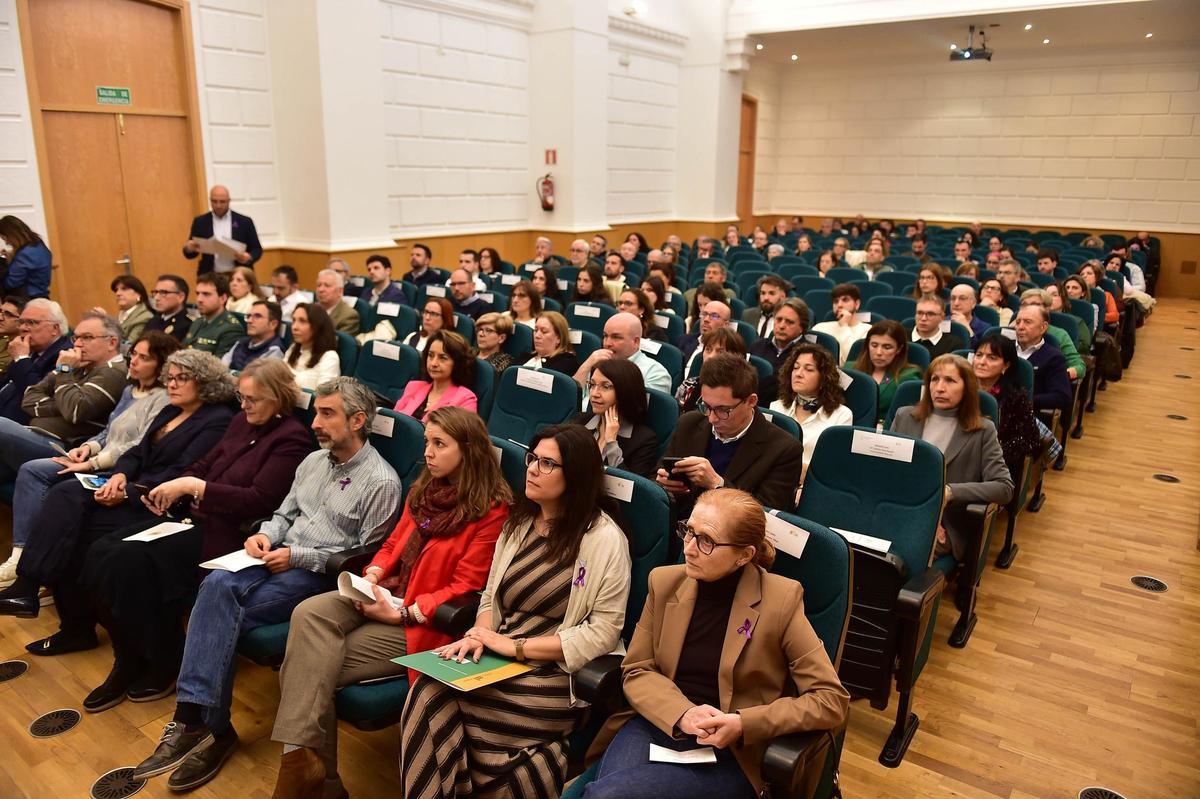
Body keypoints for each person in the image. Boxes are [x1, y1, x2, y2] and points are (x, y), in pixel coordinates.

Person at [130, 378, 401, 791]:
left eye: (327, 414)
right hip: (274, 556)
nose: (315, 423)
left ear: (358, 420)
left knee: (216, 605)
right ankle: (199, 723)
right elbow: (283, 514)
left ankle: (202, 725)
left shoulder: (382, 482)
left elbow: (366, 558)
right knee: (216, 584)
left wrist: (297, 556)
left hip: (316, 576)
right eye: (317, 412)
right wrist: (266, 535)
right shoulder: (312, 461)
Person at [269, 406, 511, 797]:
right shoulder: (425, 489)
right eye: (426, 443)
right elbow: (394, 544)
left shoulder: (492, 510)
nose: (428, 453)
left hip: (422, 621)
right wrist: (376, 574)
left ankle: (314, 777)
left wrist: (403, 611)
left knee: (306, 667)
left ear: (468, 450)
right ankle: (304, 765)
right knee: (309, 613)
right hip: (388, 593)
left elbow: (467, 586)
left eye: (439, 444)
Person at [399, 423, 631, 799]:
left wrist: (515, 647)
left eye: (547, 464)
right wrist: (478, 633)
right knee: (427, 689)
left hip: (555, 675)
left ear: (575, 474)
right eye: (532, 458)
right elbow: (490, 596)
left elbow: (602, 632)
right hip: (498, 653)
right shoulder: (519, 523)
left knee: (438, 704)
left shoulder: (605, 539)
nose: (533, 469)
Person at [583, 488, 850, 799]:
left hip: (732, 750)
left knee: (608, 795)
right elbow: (638, 669)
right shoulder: (665, 582)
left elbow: (830, 700)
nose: (689, 549)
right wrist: (683, 713)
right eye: (688, 532)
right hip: (661, 720)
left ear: (744, 555)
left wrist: (742, 723)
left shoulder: (781, 600)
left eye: (706, 541)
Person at [79, 358, 313, 710]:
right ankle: (127, 657)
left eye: (254, 399)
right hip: (192, 519)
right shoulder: (240, 421)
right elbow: (205, 464)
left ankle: (162, 661)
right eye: (241, 396)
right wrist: (178, 485)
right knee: (100, 551)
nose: (245, 405)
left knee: (130, 561)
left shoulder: (292, 439)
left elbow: (259, 499)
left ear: (278, 398)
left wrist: (196, 486)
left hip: (227, 534)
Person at [0, 351, 236, 653]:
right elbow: (137, 452)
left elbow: (182, 472)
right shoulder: (170, 411)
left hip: (160, 503)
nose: (172, 384)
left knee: (75, 534)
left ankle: (50, 603)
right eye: (171, 377)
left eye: (182, 378)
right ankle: (51, 606)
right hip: (132, 487)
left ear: (204, 383)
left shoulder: (216, 421)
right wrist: (121, 475)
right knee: (64, 495)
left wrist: (128, 491)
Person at [0, 332, 179, 588]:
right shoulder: (130, 390)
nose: (134, 361)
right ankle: (24, 559)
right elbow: (108, 432)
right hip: (97, 459)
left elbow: (139, 445)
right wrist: (87, 447)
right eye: (134, 354)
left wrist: (92, 463)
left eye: (144, 357)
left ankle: (24, 560)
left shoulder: (163, 398)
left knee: (35, 470)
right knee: (34, 470)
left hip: (120, 472)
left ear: (161, 364)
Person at [891, 355, 1013, 567]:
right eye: (934, 379)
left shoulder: (983, 430)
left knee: (900, 554)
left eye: (950, 381)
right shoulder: (905, 417)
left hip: (945, 523)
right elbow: (885, 472)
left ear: (967, 387)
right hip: (895, 510)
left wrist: (950, 491)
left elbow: (1004, 488)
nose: (939, 388)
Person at [658, 354, 804, 516]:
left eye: (723, 410)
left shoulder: (784, 449)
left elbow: (767, 517)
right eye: (706, 406)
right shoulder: (689, 423)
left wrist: (717, 484)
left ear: (751, 401)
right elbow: (656, 475)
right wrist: (664, 484)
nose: (712, 418)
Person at [0, 312, 128, 482]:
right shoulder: (78, 365)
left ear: (112, 342)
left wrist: (64, 371)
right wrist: (62, 404)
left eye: (87, 337)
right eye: (76, 338)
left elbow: (74, 411)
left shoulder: (113, 372)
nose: (78, 344)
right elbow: (29, 398)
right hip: (34, 435)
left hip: (65, 447)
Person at [972, 332, 1054, 476]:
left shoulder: (1015, 397)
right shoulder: (960, 388)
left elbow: (1029, 440)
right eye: (979, 355)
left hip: (994, 464)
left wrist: (994, 453)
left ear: (1006, 365)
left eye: (992, 358)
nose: (982, 362)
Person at [771, 343, 854, 471]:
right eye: (795, 367)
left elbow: (834, 464)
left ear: (824, 378)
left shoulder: (841, 415)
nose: (798, 374)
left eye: (808, 369)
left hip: (813, 482)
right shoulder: (777, 407)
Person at [575, 358, 658, 478]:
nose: (594, 393)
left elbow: (631, 489)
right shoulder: (580, 422)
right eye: (592, 385)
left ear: (625, 391)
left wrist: (611, 443)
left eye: (606, 386)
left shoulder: (643, 440)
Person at [0, 298, 72, 421]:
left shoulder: (65, 356)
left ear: (55, 328)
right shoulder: (32, 350)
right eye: (21, 322)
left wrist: (21, 359)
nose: (23, 328)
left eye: (31, 323)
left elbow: (35, 393)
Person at [574, 313, 672, 396]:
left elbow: (640, 411)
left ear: (636, 342)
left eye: (616, 337)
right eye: (605, 336)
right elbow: (572, 399)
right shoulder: (597, 363)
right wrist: (587, 365)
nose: (607, 343)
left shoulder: (655, 374)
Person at [394, 331, 478, 422]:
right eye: (430, 355)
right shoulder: (413, 387)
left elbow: (459, 435)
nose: (433, 363)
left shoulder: (465, 399)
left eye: (443, 358)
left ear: (458, 363)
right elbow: (394, 421)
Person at [182, 185, 262, 275]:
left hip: (238, 275)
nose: (218, 205)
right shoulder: (200, 222)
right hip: (210, 275)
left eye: (222, 202)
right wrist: (188, 249)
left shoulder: (244, 222)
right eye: (214, 201)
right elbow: (191, 253)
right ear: (210, 200)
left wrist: (249, 257)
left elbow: (257, 249)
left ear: (229, 201)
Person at [853, 320, 922, 425]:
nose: (879, 352)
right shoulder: (851, 370)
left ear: (899, 349)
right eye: (874, 345)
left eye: (887, 347)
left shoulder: (909, 376)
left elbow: (906, 418)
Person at [1013, 305, 1073, 412]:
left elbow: (1062, 396)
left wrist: (1025, 401)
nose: (1020, 327)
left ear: (1043, 327)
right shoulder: (1003, 348)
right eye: (1017, 322)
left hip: (1029, 414)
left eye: (1027, 322)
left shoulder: (1054, 357)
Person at [750, 297, 809, 401]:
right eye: (778, 319)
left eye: (789, 322)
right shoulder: (756, 346)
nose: (781, 326)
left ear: (801, 327)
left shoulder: (808, 355)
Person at [674, 327, 746, 414]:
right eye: (708, 349)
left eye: (720, 352)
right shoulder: (689, 385)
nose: (711, 356)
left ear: (735, 358)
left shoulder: (739, 396)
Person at [1019, 289, 1085, 380]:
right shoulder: (1011, 328)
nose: (1028, 308)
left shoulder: (1059, 334)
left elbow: (1079, 366)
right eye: (1024, 305)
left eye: (1034, 305)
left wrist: (1059, 374)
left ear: (1047, 309)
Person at [183, 273, 245, 356]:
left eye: (206, 294)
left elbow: (219, 366)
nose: (199, 299)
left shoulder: (231, 328)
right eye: (198, 293)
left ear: (223, 298)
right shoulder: (198, 322)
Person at [285, 304, 340, 392]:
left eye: (302, 321)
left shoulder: (329, 357)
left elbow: (323, 397)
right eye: (293, 320)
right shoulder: (293, 348)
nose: (294, 327)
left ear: (317, 326)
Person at [811, 283, 871, 363]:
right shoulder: (820, 327)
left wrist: (844, 326)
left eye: (845, 300)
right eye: (836, 301)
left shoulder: (868, 330)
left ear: (857, 304)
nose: (839, 305)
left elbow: (849, 361)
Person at [221, 299, 285, 371]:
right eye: (249, 316)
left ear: (273, 324)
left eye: (257, 316)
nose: (249, 321)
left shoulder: (274, 351)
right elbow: (221, 368)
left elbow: (257, 380)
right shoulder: (241, 343)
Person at [0, 216, 51, 299]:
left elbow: (11, 283)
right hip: (42, 297)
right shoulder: (39, 245)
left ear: (13, 234)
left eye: (5, 238)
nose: (7, 242)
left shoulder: (25, 254)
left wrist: (3, 264)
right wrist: (12, 256)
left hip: (28, 301)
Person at [679, 298, 730, 372]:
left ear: (725, 325)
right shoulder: (683, 340)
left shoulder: (727, 351)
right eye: (704, 314)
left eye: (714, 316)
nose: (706, 319)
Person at [524, 311, 579, 375]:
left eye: (544, 331)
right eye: (536, 330)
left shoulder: (566, 363)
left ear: (559, 338)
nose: (537, 336)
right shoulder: (525, 356)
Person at [145, 275, 193, 341]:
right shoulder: (154, 320)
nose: (156, 298)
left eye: (163, 293)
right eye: (155, 292)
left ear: (181, 297)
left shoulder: (188, 325)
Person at [105, 275, 153, 342]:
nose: (118, 293)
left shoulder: (144, 317)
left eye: (124, 289)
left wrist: (106, 321)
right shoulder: (122, 315)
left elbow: (129, 348)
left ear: (138, 293)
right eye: (116, 290)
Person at [742, 275, 791, 340]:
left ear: (782, 296)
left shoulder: (787, 320)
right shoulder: (747, 315)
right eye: (763, 293)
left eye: (771, 293)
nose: (766, 298)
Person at [315, 269, 360, 336]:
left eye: (327, 286)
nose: (321, 290)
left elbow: (337, 343)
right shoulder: (311, 310)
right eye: (319, 285)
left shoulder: (349, 316)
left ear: (340, 291)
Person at [1078, 262, 1119, 327]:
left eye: (1089, 273)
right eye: (1082, 274)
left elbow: (1115, 315)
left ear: (1096, 277)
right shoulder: (1075, 293)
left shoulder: (1106, 295)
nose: (1085, 276)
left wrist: (1094, 316)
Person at [0, 296, 23, 378]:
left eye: (8, 315)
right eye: (0, 312)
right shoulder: (3, 341)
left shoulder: (25, 350)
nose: (0, 318)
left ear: (22, 321)